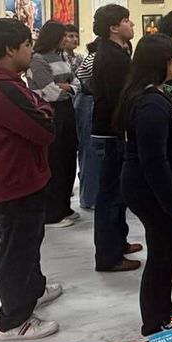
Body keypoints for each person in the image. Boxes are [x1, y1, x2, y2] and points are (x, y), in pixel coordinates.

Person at [0, 19, 61, 340]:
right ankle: (15, 318)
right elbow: (44, 127)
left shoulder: (4, 80)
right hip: (12, 180)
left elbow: (39, 109)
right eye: (27, 45)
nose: (31, 51)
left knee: (29, 242)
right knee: (17, 250)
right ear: (10, 49)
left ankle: (33, 288)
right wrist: (44, 108)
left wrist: (41, 106)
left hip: (22, 176)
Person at [115, 34, 172, 335]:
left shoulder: (162, 94)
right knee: (163, 251)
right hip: (152, 189)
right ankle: (155, 318)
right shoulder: (149, 105)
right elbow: (154, 162)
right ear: (161, 63)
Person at [91, 4, 142, 272]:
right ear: (113, 27)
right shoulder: (112, 58)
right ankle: (109, 256)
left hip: (114, 129)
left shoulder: (117, 52)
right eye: (126, 20)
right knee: (110, 194)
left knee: (117, 193)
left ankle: (118, 242)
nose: (131, 24)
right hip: (112, 132)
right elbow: (118, 99)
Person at [28, 20, 80, 227]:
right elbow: (50, 92)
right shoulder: (38, 59)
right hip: (50, 111)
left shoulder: (62, 56)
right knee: (55, 161)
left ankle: (64, 205)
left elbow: (77, 83)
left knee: (68, 159)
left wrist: (68, 87)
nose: (66, 39)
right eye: (63, 36)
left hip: (67, 111)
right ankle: (52, 212)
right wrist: (66, 88)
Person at [74, 36, 100, 211]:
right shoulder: (96, 58)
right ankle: (89, 197)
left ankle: (90, 196)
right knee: (90, 153)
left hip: (88, 101)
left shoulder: (94, 56)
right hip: (90, 102)